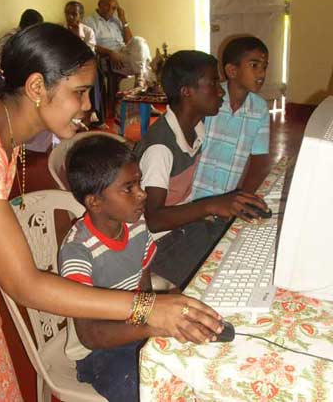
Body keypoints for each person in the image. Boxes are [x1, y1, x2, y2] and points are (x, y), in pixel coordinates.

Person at [0, 23, 222, 401]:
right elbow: (24, 284)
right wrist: (148, 308)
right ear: (37, 88)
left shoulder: (0, 127)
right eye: (80, 92)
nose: (88, 106)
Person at [59, 135, 192, 401]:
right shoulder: (79, 251)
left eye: (139, 182)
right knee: (144, 390)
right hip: (98, 353)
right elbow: (90, 335)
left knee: (189, 368)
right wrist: (153, 325)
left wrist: (162, 309)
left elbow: (142, 289)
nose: (142, 193)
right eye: (128, 188)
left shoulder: (136, 225)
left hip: (135, 328)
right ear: (94, 202)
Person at [135, 50, 269, 288]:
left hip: (182, 229)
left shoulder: (197, 129)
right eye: (214, 83)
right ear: (187, 91)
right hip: (157, 246)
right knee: (230, 274)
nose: (221, 91)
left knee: (243, 242)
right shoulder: (160, 148)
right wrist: (211, 205)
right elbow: (153, 219)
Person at [191, 36, 270, 199]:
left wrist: (243, 199)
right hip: (192, 196)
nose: (262, 73)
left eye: (264, 66)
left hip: (226, 201)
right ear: (232, 71)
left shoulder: (260, 109)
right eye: (254, 66)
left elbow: (259, 161)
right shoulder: (210, 99)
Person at [84, 0, 154, 86]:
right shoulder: (89, 21)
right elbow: (89, 45)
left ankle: (141, 79)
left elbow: (129, 42)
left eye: (113, 8)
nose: (110, 10)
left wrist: (123, 19)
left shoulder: (116, 20)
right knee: (144, 62)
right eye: (107, 5)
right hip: (110, 59)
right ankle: (145, 78)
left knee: (139, 40)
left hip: (124, 52)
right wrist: (110, 53)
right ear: (99, 4)